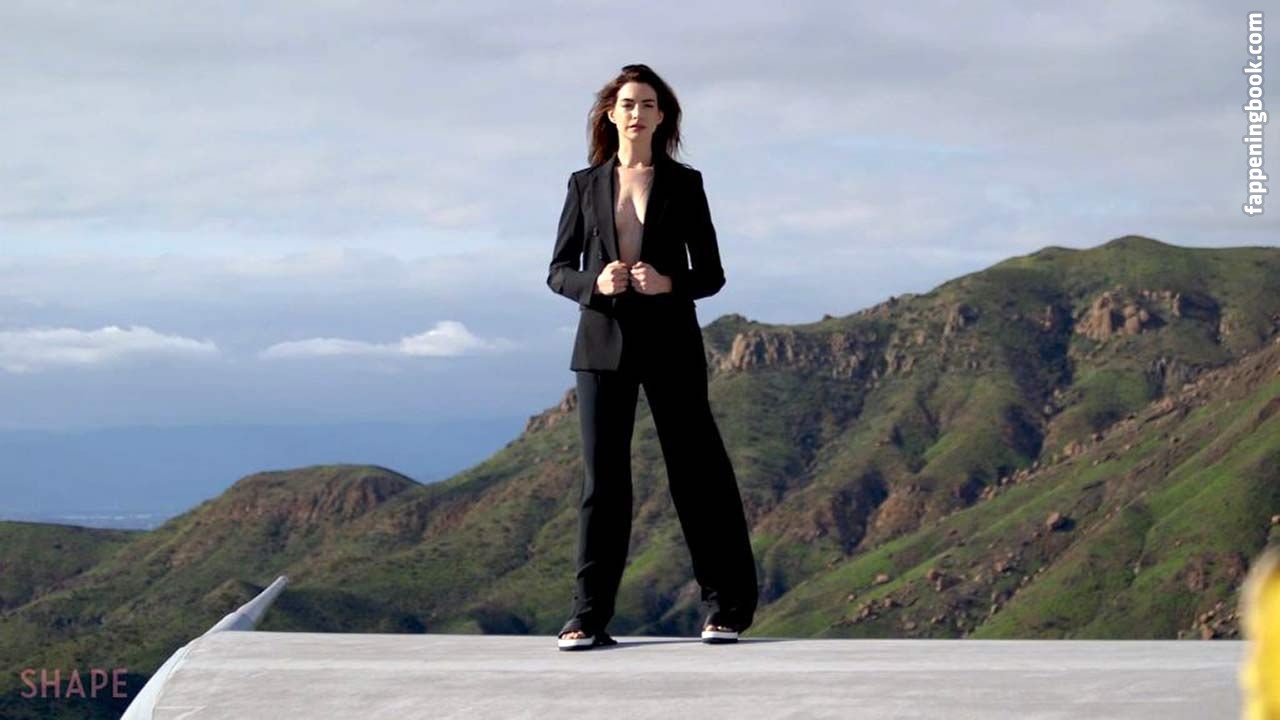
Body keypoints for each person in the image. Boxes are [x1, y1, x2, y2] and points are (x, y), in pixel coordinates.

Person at [546, 63, 759, 651]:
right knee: (603, 484)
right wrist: (594, 284)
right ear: (610, 114)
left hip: (670, 343)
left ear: (662, 117)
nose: (636, 113)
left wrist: (669, 283)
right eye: (627, 103)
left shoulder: (685, 184)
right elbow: (558, 271)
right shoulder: (583, 184)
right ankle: (587, 617)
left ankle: (725, 609)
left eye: (647, 104)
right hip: (601, 344)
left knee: (697, 475)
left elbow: (711, 273)